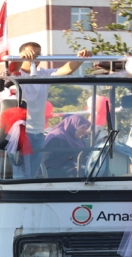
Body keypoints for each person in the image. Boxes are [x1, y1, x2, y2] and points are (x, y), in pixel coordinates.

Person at [8, 42, 93, 178]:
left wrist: (80, 58)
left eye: (37, 55)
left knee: (33, 174)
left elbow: (66, 70)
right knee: (21, 176)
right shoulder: (16, 74)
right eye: (30, 54)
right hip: (21, 133)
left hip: (39, 132)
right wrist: (20, 58)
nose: (34, 58)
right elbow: (12, 69)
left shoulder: (43, 73)